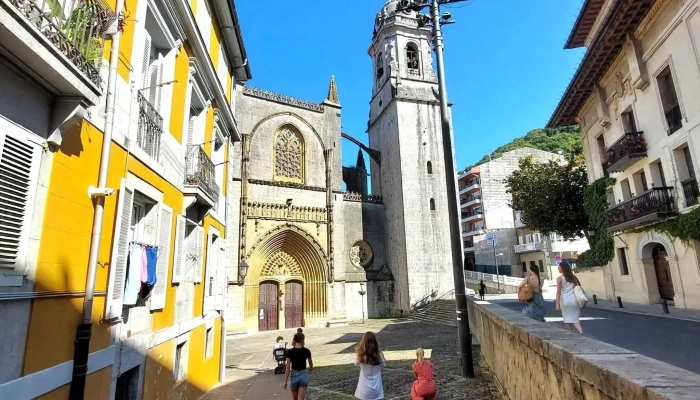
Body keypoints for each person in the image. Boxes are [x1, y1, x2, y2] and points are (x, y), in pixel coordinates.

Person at [354, 332, 386, 400]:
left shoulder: (361, 356)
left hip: (363, 389)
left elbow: (356, 363)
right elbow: (383, 364)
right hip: (377, 388)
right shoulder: (379, 355)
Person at [556, 260, 583, 334]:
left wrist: (557, 303)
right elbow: (578, 288)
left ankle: (571, 334)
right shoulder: (573, 277)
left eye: (559, 267)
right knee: (575, 319)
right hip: (574, 300)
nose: (558, 268)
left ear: (563, 268)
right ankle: (580, 331)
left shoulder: (559, 279)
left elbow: (558, 292)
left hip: (565, 301)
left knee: (567, 320)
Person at [284, 333, 313, 400]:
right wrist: (310, 368)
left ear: (294, 340)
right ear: (302, 340)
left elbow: (287, 367)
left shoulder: (290, 352)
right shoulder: (307, 351)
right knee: (301, 398)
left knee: (295, 398)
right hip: (303, 375)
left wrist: (285, 381)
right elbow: (310, 363)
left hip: (294, 376)